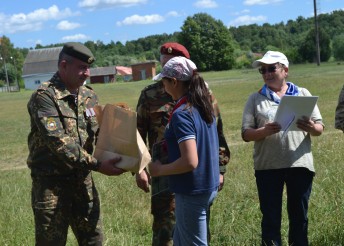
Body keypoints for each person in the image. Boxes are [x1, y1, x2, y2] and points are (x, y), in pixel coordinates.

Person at [27, 42, 126, 245]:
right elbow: (59, 142)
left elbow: (101, 133)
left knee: (94, 241)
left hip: (83, 182)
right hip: (51, 186)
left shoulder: (89, 95)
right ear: (64, 65)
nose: (87, 73)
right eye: (82, 68)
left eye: (88, 68)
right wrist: (98, 165)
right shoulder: (44, 97)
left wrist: (132, 161)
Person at [135, 42, 230, 245]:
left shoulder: (201, 98)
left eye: (170, 67)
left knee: (194, 233)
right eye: (163, 64)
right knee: (166, 231)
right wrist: (140, 168)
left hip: (190, 178)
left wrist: (220, 168)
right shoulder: (150, 94)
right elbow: (138, 133)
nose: (164, 78)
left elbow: (216, 136)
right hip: (170, 175)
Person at [241, 51, 324, 246]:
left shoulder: (303, 94)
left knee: (299, 217)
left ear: (285, 70)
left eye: (272, 68)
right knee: (270, 219)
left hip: (299, 164)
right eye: (263, 70)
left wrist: (312, 127)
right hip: (267, 166)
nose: (267, 73)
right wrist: (264, 131)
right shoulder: (255, 99)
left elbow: (320, 127)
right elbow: (245, 134)